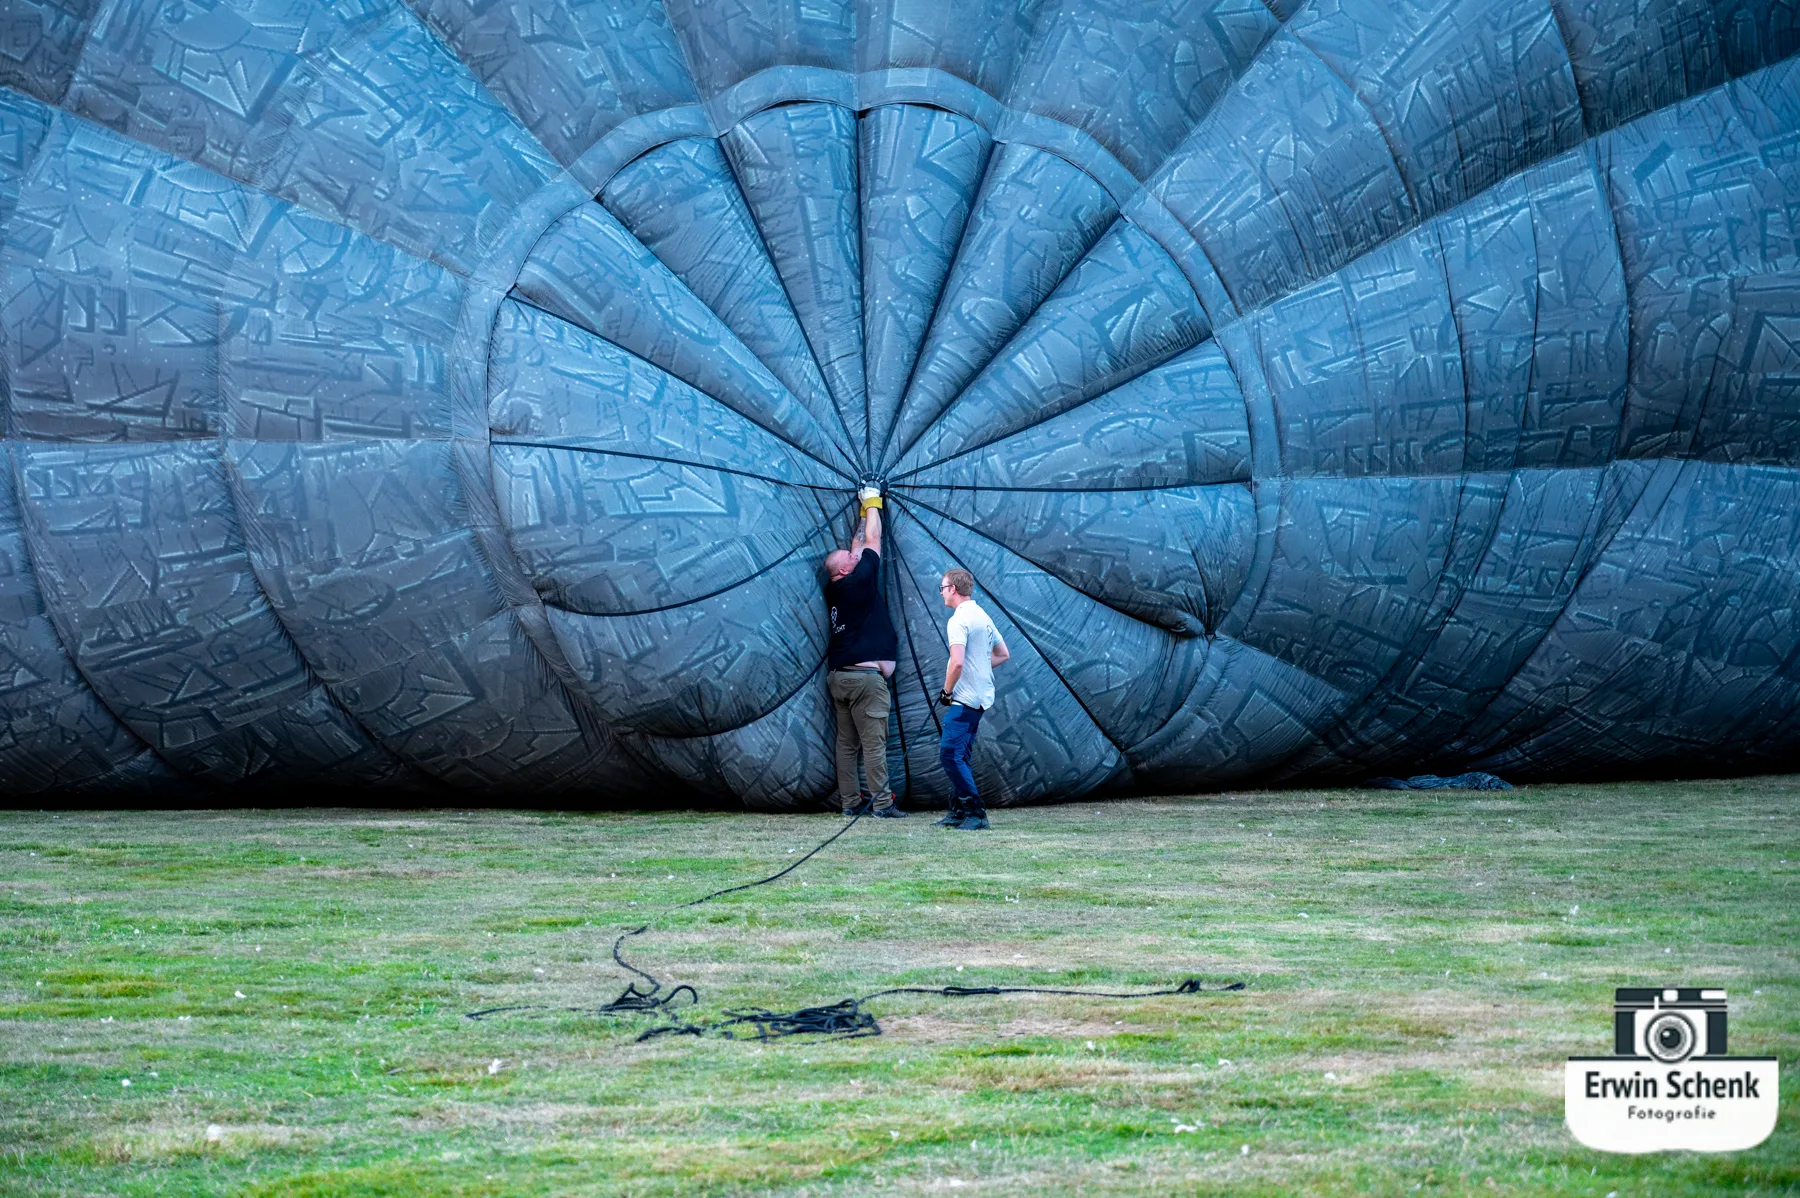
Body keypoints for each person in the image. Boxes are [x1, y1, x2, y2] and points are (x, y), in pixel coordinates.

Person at [822, 484, 904, 818]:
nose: (856, 557)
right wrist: (873, 501)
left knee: (846, 744)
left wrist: (860, 512)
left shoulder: (836, 587)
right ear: (845, 570)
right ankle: (883, 805)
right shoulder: (859, 580)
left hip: (840, 677)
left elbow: (858, 545)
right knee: (873, 744)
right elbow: (872, 541)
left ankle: (849, 802)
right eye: (851, 559)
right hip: (865, 681)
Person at [936, 568, 1009, 830]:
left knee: (949, 755)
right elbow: (1003, 654)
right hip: (979, 697)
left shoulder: (958, 620)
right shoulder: (982, 616)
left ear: (953, 589)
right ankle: (958, 811)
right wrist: (979, 666)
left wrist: (946, 692)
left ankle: (975, 813)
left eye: (943, 588)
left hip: (964, 699)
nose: (942, 593)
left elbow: (956, 664)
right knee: (960, 755)